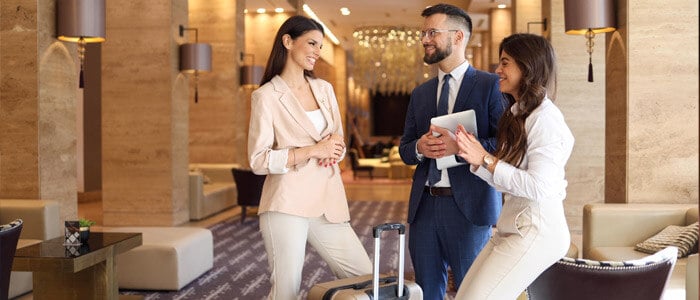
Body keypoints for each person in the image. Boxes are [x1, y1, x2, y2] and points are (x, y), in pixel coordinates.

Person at [247, 15, 372, 300]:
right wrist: (313, 151)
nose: (317, 51)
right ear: (288, 41)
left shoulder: (324, 89)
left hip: (328, 202)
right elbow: (258, 160)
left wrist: (335, 149)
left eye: (320, 45)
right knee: (286, 291)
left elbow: (337, 137)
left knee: (365, 279)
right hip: (286, 204)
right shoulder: (266, 96)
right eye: (312, 43)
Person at [454, 33, 575, 299]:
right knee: (464, 295)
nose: (497, 70)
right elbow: (507, 178)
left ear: (527, 66)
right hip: (514, 223)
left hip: (537, 230)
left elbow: (539, 187)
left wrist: (486, 158)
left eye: (505, 62)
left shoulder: (546, 120)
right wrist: (472, 156)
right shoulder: (518, 114)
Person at [398, 3, 506, 299]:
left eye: (432, 32)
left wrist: (460, 147)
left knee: (473, 291)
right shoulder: (420, 94)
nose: (424, 39)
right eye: (423, 33)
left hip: (470, 209)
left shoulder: (490, 86)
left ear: (458, 37)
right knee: (426, 290)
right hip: (424, 209)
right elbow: (404, 149)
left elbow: (506, 146)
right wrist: (419, 147)